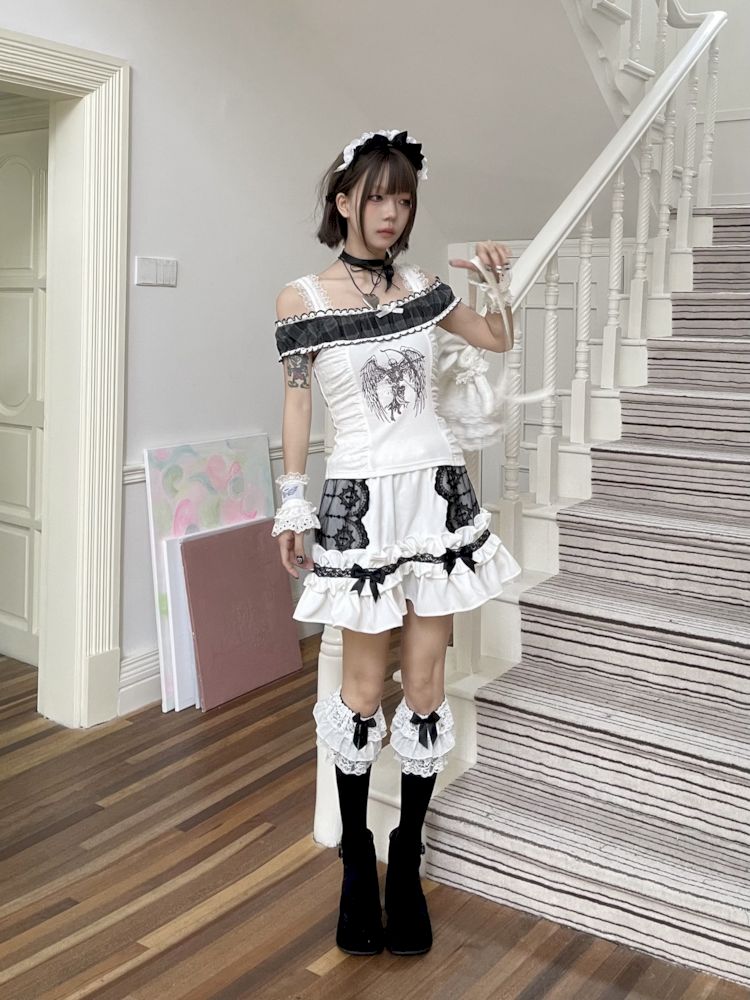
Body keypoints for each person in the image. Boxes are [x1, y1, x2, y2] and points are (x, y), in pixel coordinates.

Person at [271, 129, 522, 957]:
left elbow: (497, 339)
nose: (391, 212)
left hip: (436, 494)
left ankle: (405, 858)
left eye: (404, 198)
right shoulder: (302, 299)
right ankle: (357, 862)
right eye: (377, 196)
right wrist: (292, 505)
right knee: (359, 690)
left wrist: (497, 283)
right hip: (359, 502)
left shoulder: (424, 289)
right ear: (343, 200)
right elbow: (299, 405)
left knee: (424, 685)